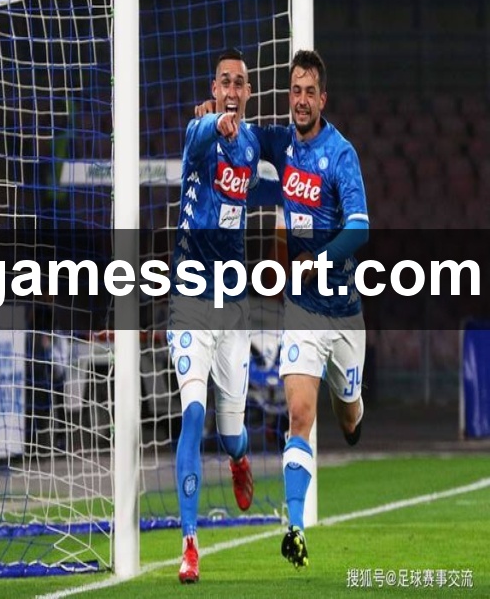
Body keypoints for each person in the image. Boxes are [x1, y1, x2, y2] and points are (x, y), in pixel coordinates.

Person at [196, 49, 369, 569]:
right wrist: (213, 118)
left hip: (344, 312)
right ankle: (295, 526)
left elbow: (359, 227)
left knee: (349, 418)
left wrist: (321, 259)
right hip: (303, 312)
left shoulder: (341, 154)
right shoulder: (280, 142)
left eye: (309, 92)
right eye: (295, 91)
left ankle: (355, 405)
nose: (301, 100)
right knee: (300, 416)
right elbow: (240, 136)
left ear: (323, 99)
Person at [167, 48, 268, 584]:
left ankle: (239, 459)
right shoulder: (198, 134)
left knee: (231, 434)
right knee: (192, 413)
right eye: (224, 81)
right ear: (214, 88)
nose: (232, 89)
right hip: (188, 299)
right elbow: (203, 134)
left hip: (232, 306)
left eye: (239, 83)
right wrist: (213, 123)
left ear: (248, 91)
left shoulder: (251, 147)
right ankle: (190, 545)